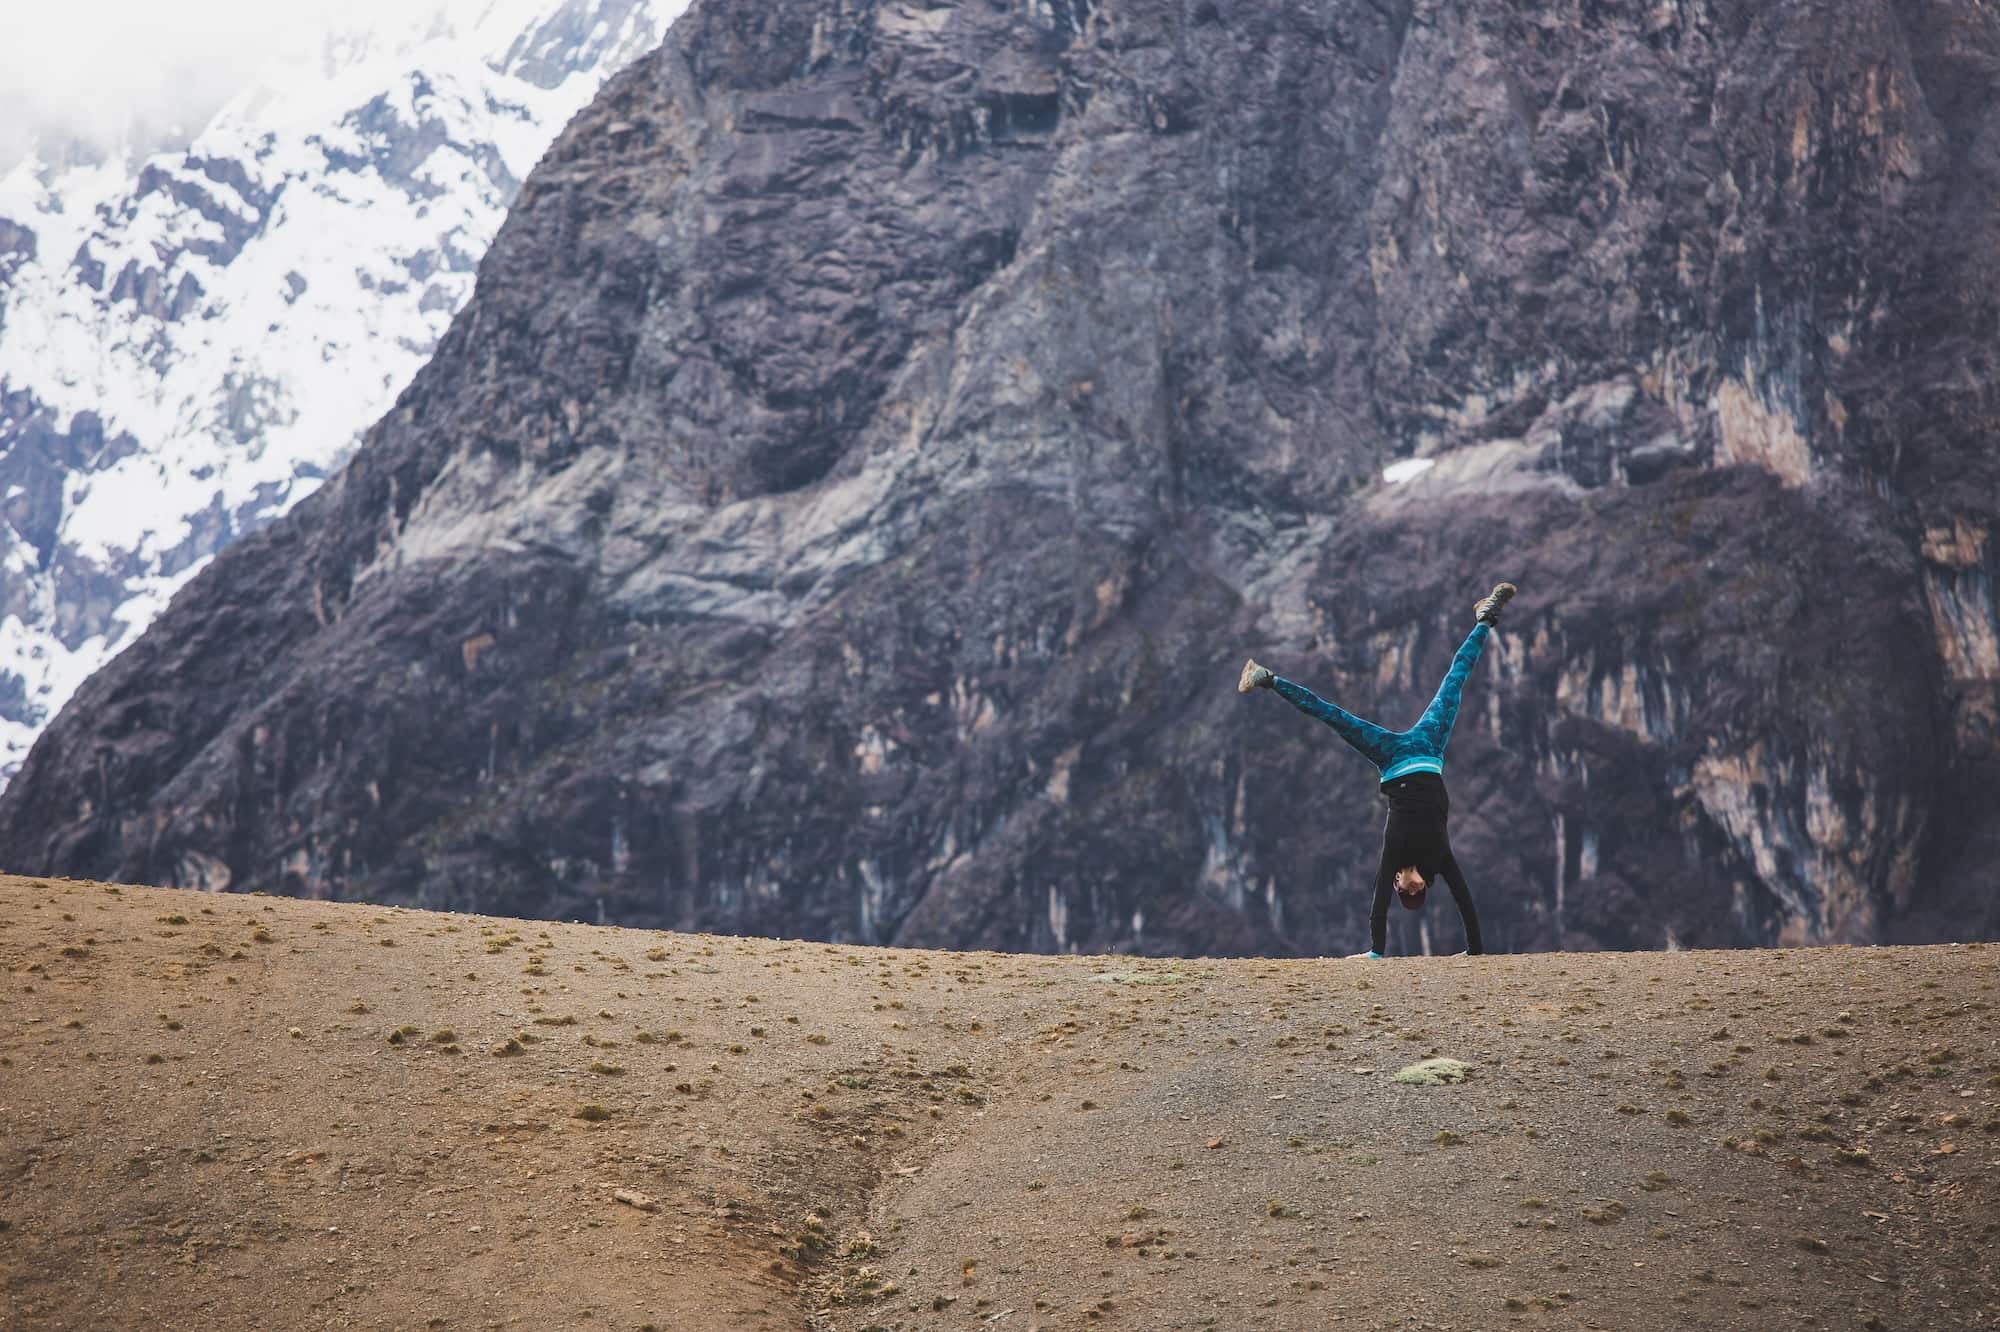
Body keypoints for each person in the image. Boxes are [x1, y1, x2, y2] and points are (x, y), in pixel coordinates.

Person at [1237, 583, 1515, 958]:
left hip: (1392, 758)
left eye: (1406, 892)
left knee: (1331, 715)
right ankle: (1485, 620)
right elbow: (1464, 897)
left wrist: (1375, 953)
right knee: (1455, 680)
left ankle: (1267, 678)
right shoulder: (1438, 856)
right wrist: (1476, 951)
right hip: (1429, 748)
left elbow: (1378, 900)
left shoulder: (1395, 846)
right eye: (1417, 894)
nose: (1412, 891)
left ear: (1399, 881)